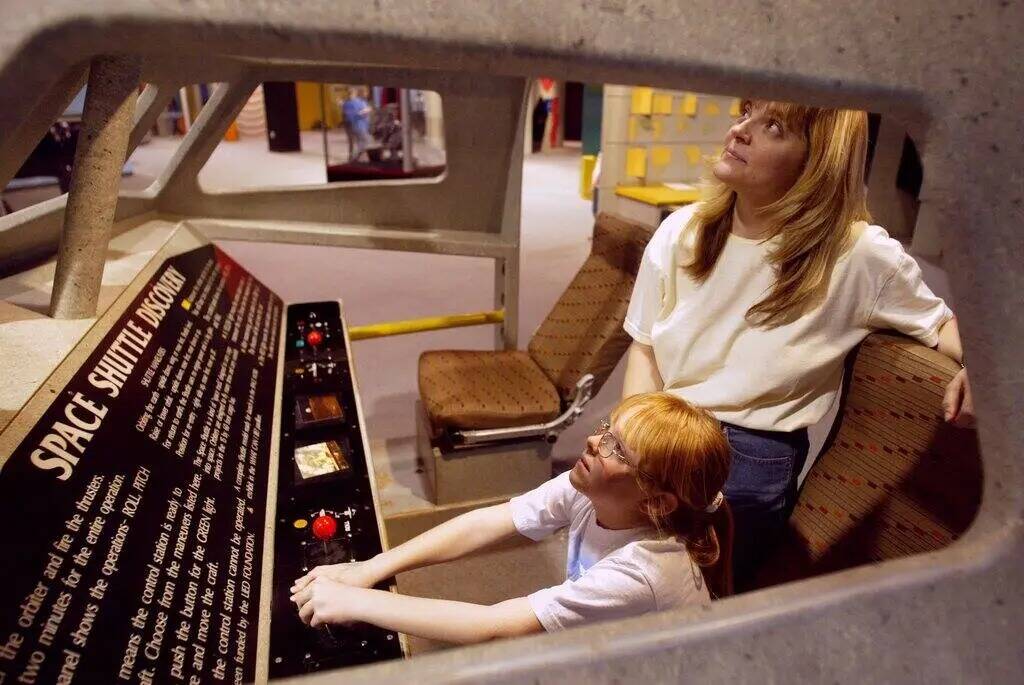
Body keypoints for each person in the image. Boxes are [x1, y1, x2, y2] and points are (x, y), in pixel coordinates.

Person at [621, 99, 975, 589]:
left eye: (774, 127)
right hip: (661, 424)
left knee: (694, 601)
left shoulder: (859, 254)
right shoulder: (684, 229)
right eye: (746, 112)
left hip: (746, 456)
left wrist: (985, 367)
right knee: (612, 570)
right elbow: (644, 348)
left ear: (816, 162)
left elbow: (943, 325)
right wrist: (631, 442)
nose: (741, 130)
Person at [290, 392, 731, 644]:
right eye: (606, 429)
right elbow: (489, 523)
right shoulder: (588, 486)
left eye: (618, 449)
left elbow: (494, 626)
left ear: (656, 502)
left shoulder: (643, 572)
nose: (595, 443)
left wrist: (358, 602)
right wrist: (369, 569)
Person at [341, 87, 373, 162]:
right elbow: (352, 115)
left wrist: (366, 111)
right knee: (364, 141)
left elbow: (346, 115)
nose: (366, 94)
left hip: (358, 125)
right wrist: (364, 111)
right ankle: (355, 157)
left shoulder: (351, 102)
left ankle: (356, 157)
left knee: (357, 142)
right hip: (357, 125)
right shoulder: (351, 103)